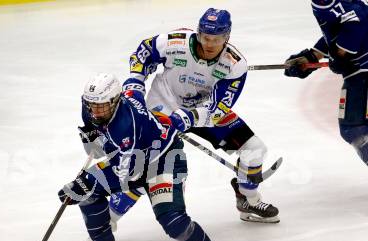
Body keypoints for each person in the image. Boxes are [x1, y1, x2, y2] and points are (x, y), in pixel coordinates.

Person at [58, 72, 243, 241]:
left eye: (102, 106)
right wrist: (91, 138)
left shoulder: (127, 126)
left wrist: (86, 183)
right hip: (131, 158)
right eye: (92, 105)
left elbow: (129, 175)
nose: (96, 111)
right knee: (87, 194)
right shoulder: (94, 107)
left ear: (116, 101)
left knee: (173, 222)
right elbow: (133, 88)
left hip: (164, 161)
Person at [107, 8, 279, 227]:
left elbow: (218, 108)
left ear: (227, 38)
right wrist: (135, 81)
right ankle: (106, 223)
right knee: (148, 165)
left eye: (216, 39)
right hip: (163, 106)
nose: (209, 44)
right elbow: (144, 52)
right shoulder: (175, 42)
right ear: (198, 33)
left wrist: (187, 117)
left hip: (202, 113)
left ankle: (248, 199)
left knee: (255, 150)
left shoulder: (235, 64)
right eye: (206, 37)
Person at [284, 0, 368, 165]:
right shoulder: (324, 3)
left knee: (354, 129)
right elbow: (336, 30)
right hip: (360, 71)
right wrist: (313, 56)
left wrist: (341, 54)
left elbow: (358, 18)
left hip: (362, 72)